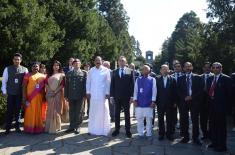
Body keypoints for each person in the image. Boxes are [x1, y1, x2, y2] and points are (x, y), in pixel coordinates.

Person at [1, 53, 28, 134]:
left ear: (21, 60)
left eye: (18, 59)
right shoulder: (7, 69)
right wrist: (4, 92)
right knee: (9, 111)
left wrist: (25, 94)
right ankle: (8, 128)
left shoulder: (25, 69)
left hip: (19, 94)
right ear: (13, 60)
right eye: (15, 59)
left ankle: (17, 127)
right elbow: (4, 81)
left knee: (18, 111)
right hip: (10, 93)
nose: (17, 61)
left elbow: (26, 83)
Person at [207, 62, 231, 152]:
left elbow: (230, 95)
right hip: (211, 107)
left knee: (221, 127)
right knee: (212, 125)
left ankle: (222, 145)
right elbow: (208, 92)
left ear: (221, 68)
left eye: (218, 67)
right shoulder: (209, 79)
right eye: (214, 67)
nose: (215, 69)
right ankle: (214, 142)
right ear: (212, 69)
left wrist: (227, 109)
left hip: (221, 108)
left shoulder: (226, 79)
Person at [177, 62, 204, 145]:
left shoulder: (198, 77)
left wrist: (192, 96)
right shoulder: (180, 78)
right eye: (186, 67)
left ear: (192, 67)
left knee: (195, 120)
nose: (188, 68)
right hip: (184, 102)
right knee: (184, 120)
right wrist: (184, 97)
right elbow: (178, 90)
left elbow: (201, 90)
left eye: (189, 66)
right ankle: (186, 137)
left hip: (194, 101)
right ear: (183, 68)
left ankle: (196, 138)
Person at [86, 56, 111, 136]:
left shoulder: (106, 70)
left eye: (99, 60)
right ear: (94, 62)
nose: (98, 62)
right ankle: (92, 130)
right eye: (96, 60)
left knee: (102, 112)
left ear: (102, 61)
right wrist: (88, 92)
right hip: (93, 95)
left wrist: (107, 93)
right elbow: (88, 82)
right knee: (93, 112)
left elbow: (108, 83)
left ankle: (103, 131)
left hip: (102, 95)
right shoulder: (91, 71)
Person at [111, 56, 134, 138]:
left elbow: (132, 84)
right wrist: (111, 96)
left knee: (127, 114)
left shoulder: (129, 71)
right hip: (117, 96)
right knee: (116, 114)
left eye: (123, 61)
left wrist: (132, 96)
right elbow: (112, 84)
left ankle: (128, 130)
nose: (121, 62)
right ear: (118, 62)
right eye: (120, 61)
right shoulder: (114, 71)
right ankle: (117, 129)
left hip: (126, 97)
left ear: (125, 62)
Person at [22, 62, 46, 133]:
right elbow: (24, 86)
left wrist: (44, 96)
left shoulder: (42, 76)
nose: (35, 68)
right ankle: (29, 128)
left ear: (39, 67)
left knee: (38, 112)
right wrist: (24, 96)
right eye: (34, 66)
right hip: (30, 98)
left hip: (39, 97)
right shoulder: (27, 75)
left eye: (37, 66)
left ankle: (38, 128)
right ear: (31, 67)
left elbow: (44, 87)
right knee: (29, 112)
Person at [133, 65, 156, 139]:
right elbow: (135, 90)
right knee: (139, 119)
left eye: (146, 70)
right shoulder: (138, 79)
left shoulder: (153, 79)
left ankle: (149, 133)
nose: (145, 71)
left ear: (149, 71)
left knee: (149, 119)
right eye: (143, 69)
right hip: (139, 103)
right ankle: (140, 133)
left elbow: (154, 91)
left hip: (149, 103)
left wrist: (153, 101)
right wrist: (135, 100)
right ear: (141, 71)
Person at [64, 59, 87, 134]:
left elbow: (85, 85)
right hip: (71, 95)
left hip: (80, 95)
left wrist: (84, 95)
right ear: (73, 65)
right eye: (75, 63)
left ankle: (78, 126)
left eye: (78, 63)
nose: (76, 64)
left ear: (80, 64)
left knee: (79, 111)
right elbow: (66, 85)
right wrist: (66, 95)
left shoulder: (84, 73)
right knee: (71, 111)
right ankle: (71, 126)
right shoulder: (69, 73)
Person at [156, 64, 176, 141]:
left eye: (166, 69)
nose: (165, 71)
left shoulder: (172, 79)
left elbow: (175, 92)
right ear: (161, 70)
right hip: (160, 103)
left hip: (170, 103)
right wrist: (155, 101)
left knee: (169, 120)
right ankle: (161, 134)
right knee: (160, 119)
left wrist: (174, 102)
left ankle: (169, 134)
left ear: (168, 70)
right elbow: (155, 92)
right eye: (163, 69)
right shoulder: (157, 79)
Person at [45, 60, 65, 134]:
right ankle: (49, 127)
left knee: (56, 110)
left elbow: (62, 85)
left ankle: (56, 126)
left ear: (59, 66)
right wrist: (50, 91)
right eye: (54, 65)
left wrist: (55, 92)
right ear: (52, 66)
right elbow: (46, 83)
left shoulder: (62, 75)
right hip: (49, 94)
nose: (56, 67)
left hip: (58, 94)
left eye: (57, 65)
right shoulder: (49, 75)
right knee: (50, 110)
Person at [200, 62, 213, 140]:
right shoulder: (199, 77)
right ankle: (205, 134)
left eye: (208, 67)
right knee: (202, 119)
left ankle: (211, 134)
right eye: (205, 67)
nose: (207, 69)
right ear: (203, 68)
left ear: (211, 68)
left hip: (211, 102)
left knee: (211, 119)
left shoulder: (214, 77)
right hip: (201, 102)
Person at [171, 61, 183, 133]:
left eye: (179, 67)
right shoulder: (171, 76)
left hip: (182, 98)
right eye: (176, 67)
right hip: (173, 98)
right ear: (174, 68)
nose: (177, 68)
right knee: (173, 113)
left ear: (181, 68)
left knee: (182, 113)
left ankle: (182, 126)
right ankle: (174, 125)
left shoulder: (184, 76)